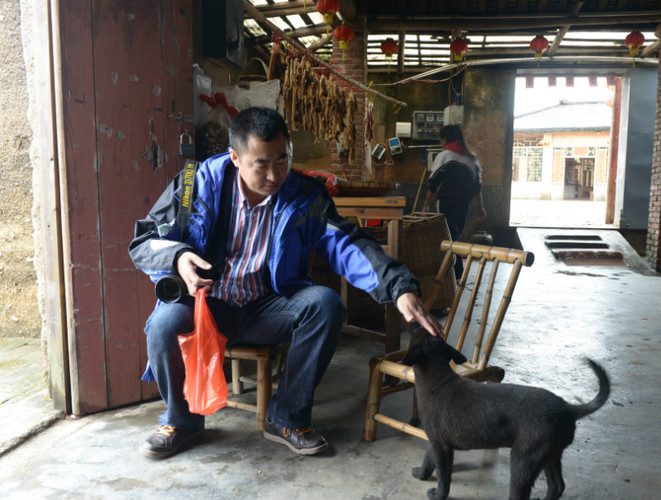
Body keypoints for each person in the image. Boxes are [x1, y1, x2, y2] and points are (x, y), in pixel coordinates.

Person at [129, 106, 442, 459]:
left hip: (268, 308)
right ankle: (181, 421)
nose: (275, 174)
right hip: (208, 307)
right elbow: (146, 241)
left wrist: (397, 286)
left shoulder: (306, 196)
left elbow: (346, 243)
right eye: (261, 163)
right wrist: (178, 257)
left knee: (325, 305)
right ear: (235, 157)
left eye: (283, 159)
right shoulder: (194, 185)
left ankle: (287, 418)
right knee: (162, 323)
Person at [421, 124, 486, 278]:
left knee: (449, 235)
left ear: (444, 139)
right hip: (465, 204)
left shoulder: (444, 156)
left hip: (447, 203)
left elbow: (433, 183)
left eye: (441, 139)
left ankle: (455, 271)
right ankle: (454, 270)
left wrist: (425, 205)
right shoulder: (471, 158)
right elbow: (477, 186)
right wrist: (480, 207)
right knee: (455, 233)